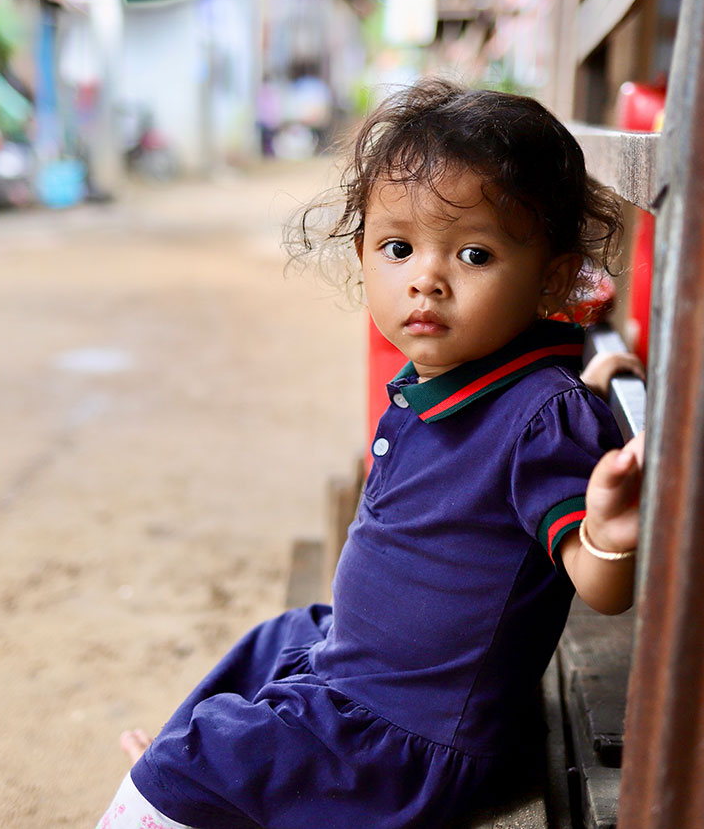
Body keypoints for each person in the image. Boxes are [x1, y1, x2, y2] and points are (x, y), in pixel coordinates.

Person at [95, 79, 646, 829]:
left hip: (412, 740)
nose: (426, 276)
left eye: (475, 254)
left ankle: (173, 790)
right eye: (397, 248)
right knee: (277, 639)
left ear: (549, 277)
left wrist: (607, 539)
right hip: (365, 677)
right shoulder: (453, 378)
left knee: (199, 756)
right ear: (362, 255)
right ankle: (194, 778)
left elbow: (601, 587)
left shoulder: (543, 418)